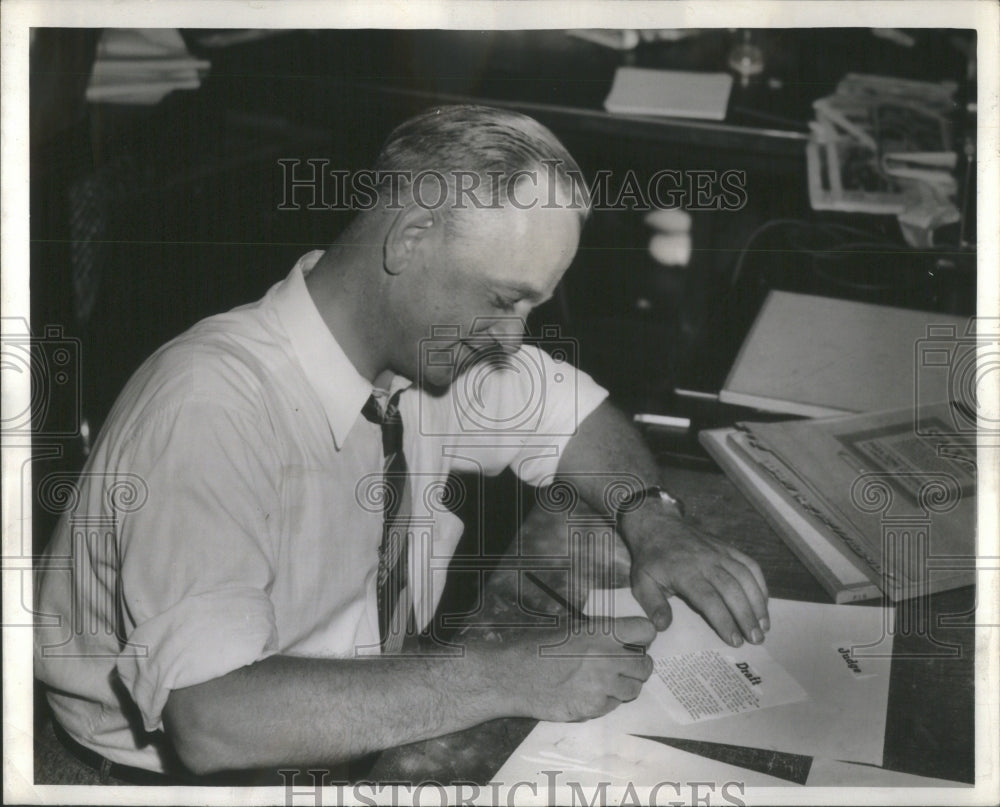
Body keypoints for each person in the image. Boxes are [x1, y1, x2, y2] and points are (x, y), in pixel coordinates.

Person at [34, 105, 769, 779]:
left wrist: (653, 520)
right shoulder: (211, 408)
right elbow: (214, 719)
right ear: (410, 239)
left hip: (365, 737)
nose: (514, 336)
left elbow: (575, 414)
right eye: (503, 298)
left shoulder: (424, 348)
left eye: (532, 305)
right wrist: (503, 673)